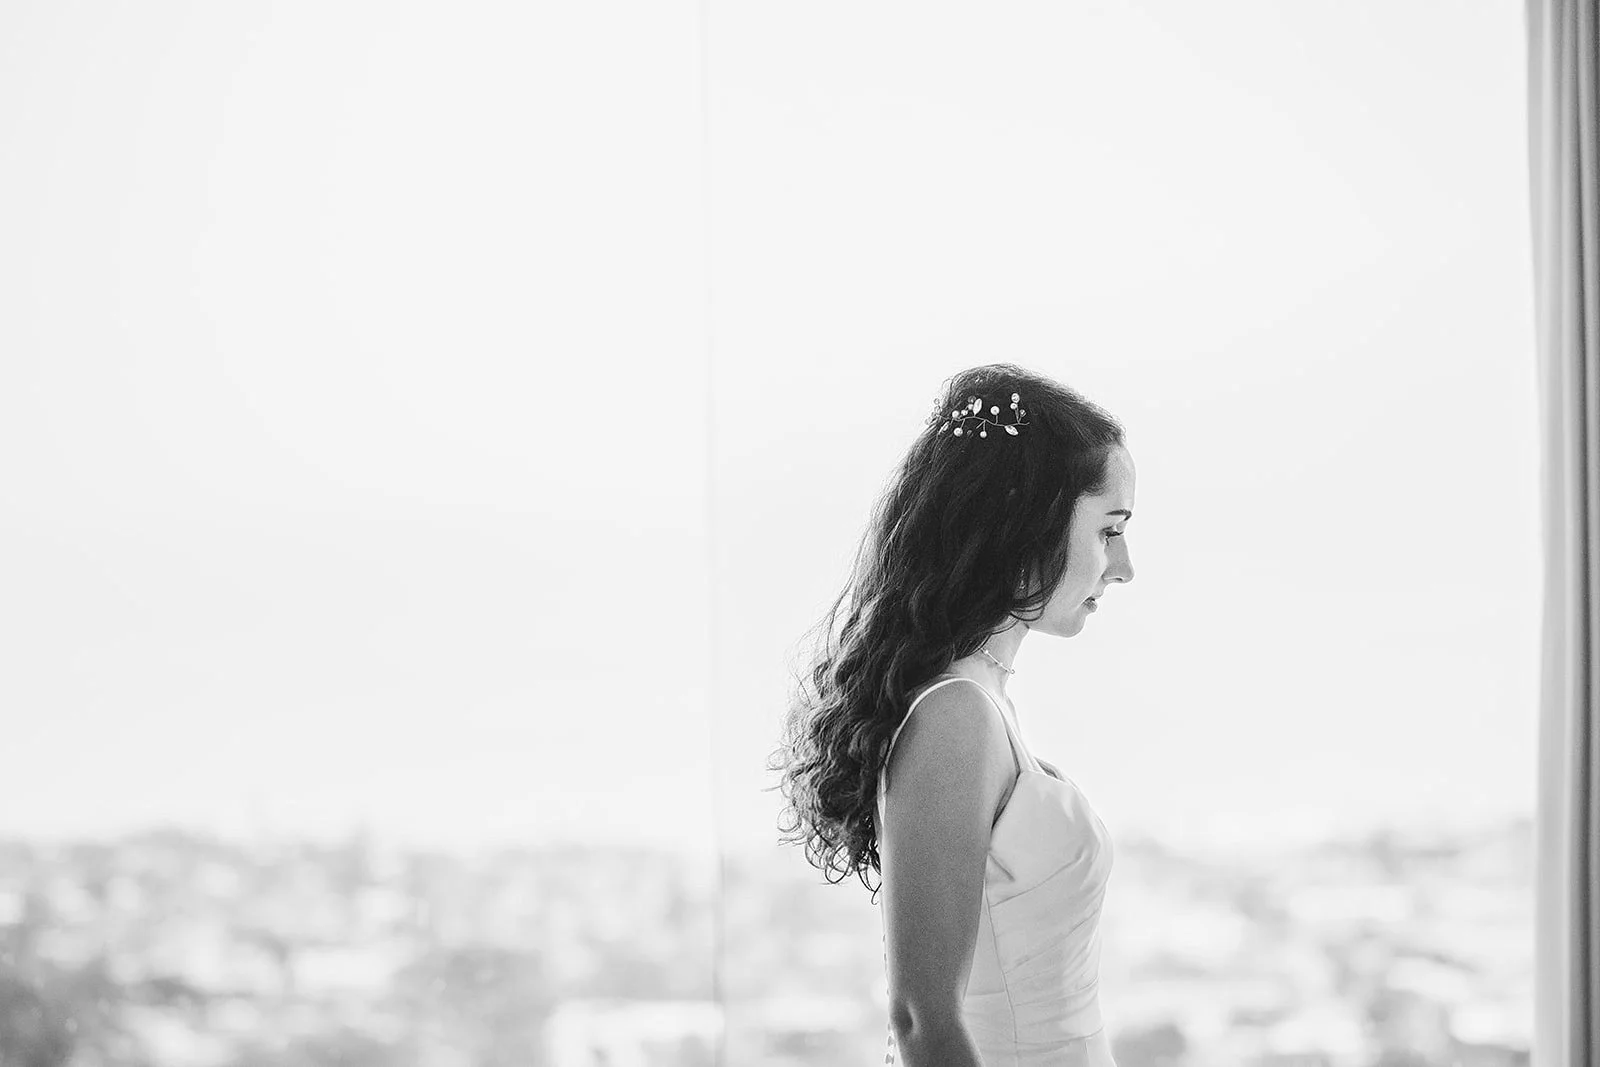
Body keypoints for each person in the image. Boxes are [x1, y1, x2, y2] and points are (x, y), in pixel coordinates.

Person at [771, 363, 1136, 1066]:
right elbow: (921, 1019)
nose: (1122, 567)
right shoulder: (955, 716)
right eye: (1108, 530)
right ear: (1029, 523)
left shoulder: (984, 703)